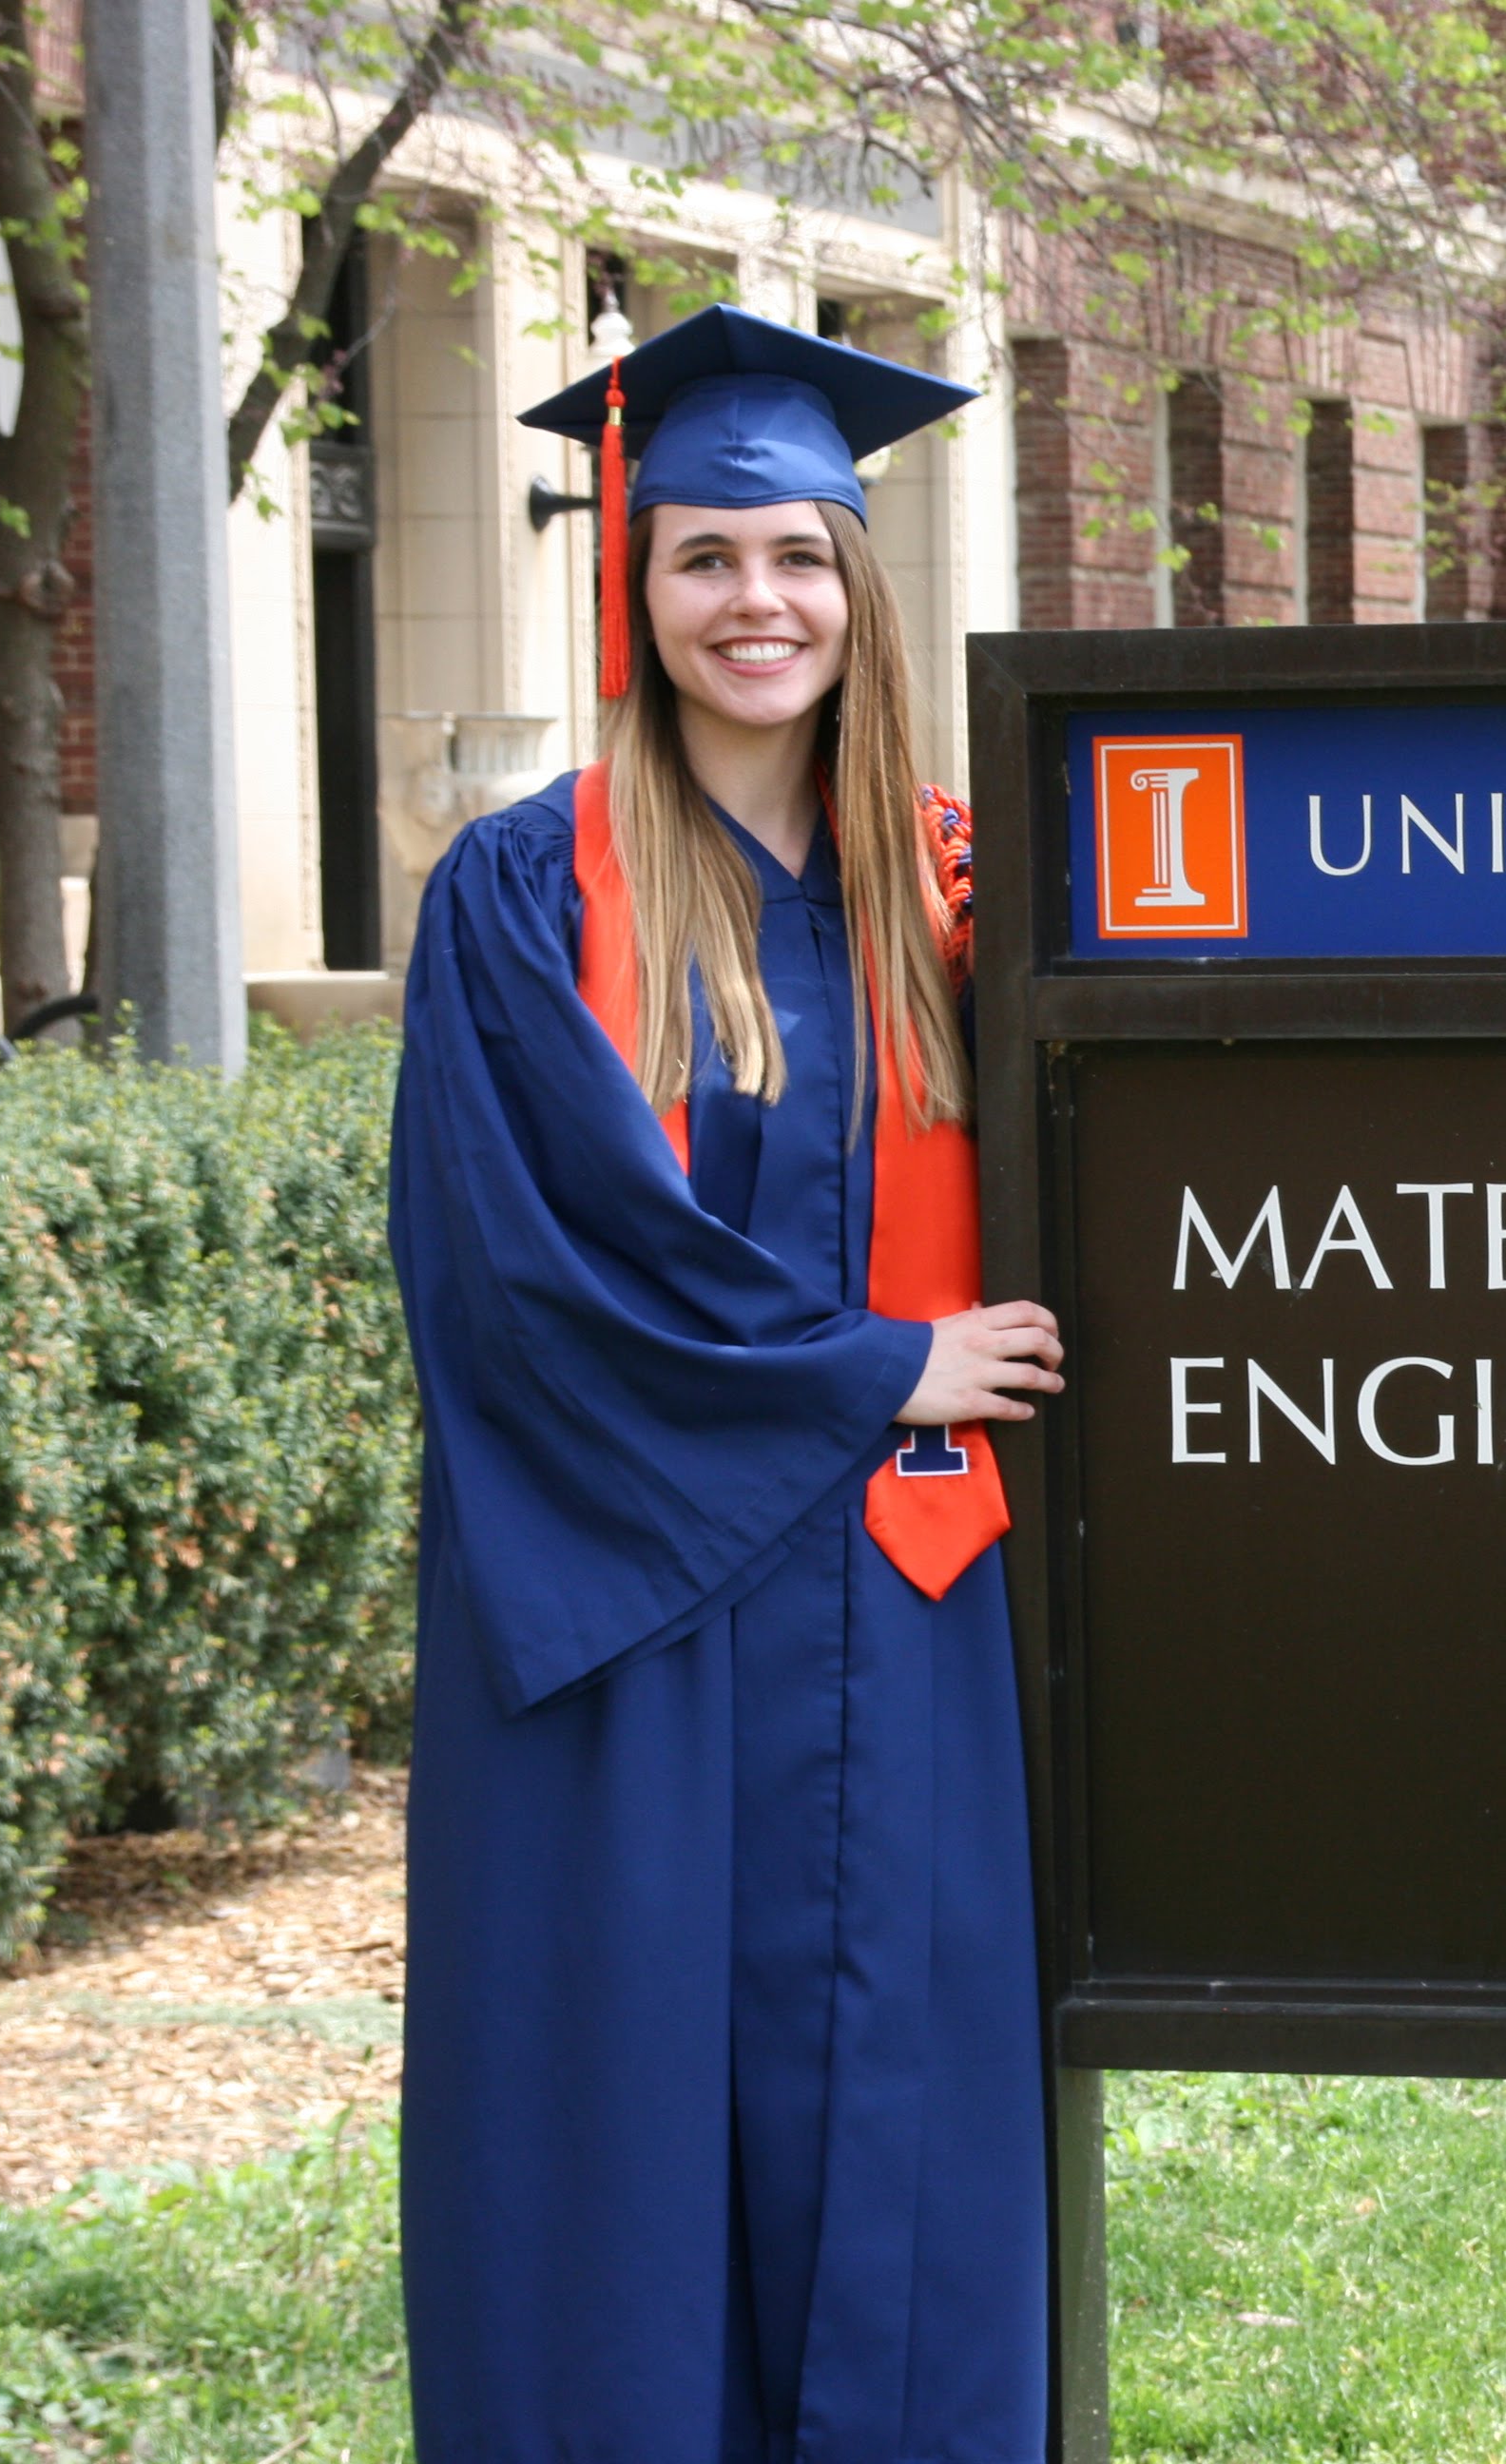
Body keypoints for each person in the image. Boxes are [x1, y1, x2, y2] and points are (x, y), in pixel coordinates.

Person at [390, 306, 1066, 2462]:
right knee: (617, 2141)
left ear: (858, 579)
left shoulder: (973, 887)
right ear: (638, 584)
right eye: (702, 558)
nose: (752, 603)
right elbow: (518, 1277)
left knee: (914, 2143)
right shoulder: (528, 889)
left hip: (920, 1596)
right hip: (636, 1616)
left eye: (794, 555)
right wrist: (883, 1367)